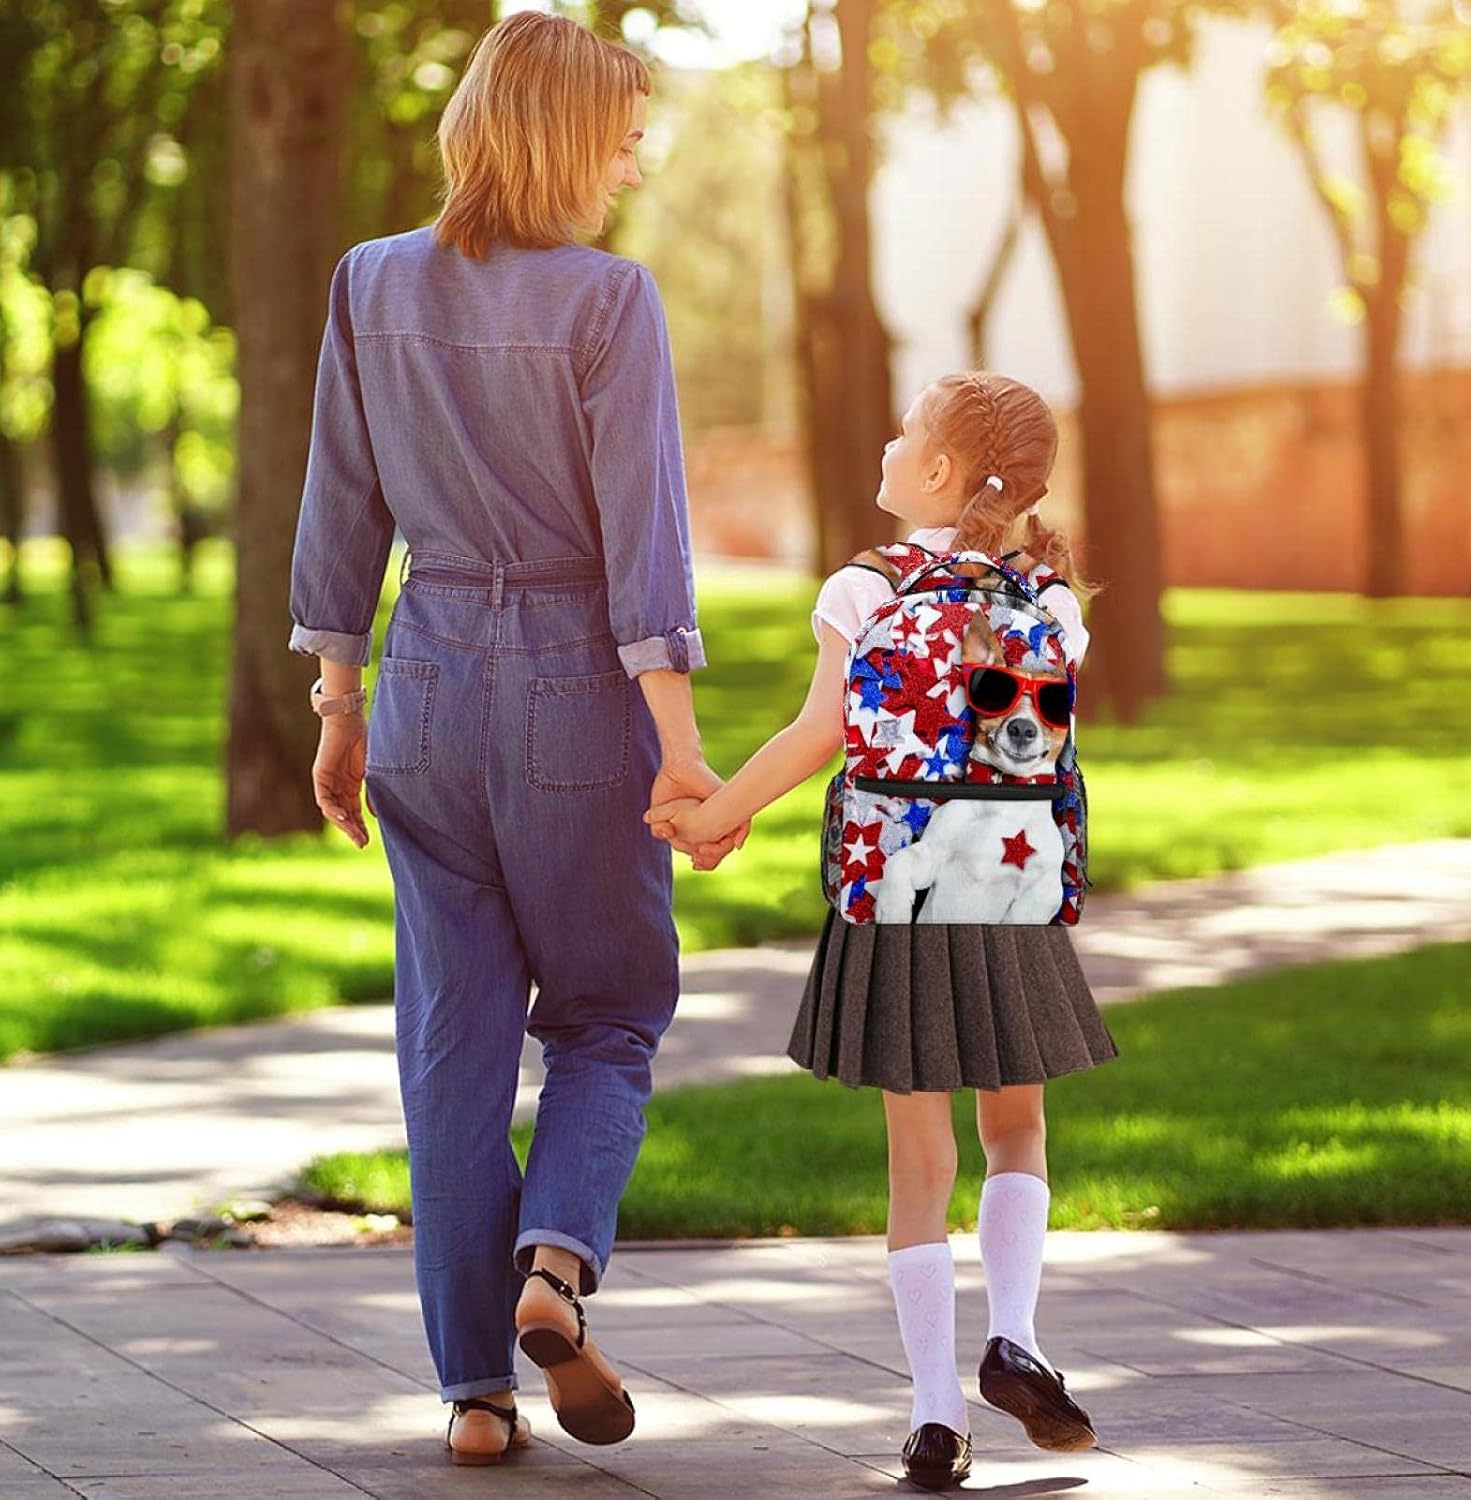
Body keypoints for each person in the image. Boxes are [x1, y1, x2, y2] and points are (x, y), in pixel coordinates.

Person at [286, 12, 745, 1467]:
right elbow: (643, 548)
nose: (630, 157)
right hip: (573, 689)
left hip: (422, 682)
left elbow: (340, 507)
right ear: (559, 135)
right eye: (618, 132)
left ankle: (474, 1394)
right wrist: (680, 749)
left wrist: (339, 705)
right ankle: (556, 1268)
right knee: (610, 1014)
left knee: (454, 1044)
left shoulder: (369, 283)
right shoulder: (612, 301)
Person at [646, 372, 1119, 1491]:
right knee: (1017, 1131)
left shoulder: (866, 586)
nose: (890, 443)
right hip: (1009, 885)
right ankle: (1018, 1335)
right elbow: (1023, 753)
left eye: (906, 431)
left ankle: (935, 1416)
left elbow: (819, 732)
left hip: (895, 884)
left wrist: (716, 816)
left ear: (942, 472)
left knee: (920, 1161)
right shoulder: (1048, 599)